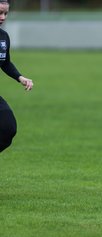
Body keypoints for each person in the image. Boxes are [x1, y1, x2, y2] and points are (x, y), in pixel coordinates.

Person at [0, 0, 33, 153]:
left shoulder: (3, 37)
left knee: (8, 128)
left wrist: (20, 77)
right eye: (0, 12)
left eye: (5, 13)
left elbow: (5, 62)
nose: (3, 17)